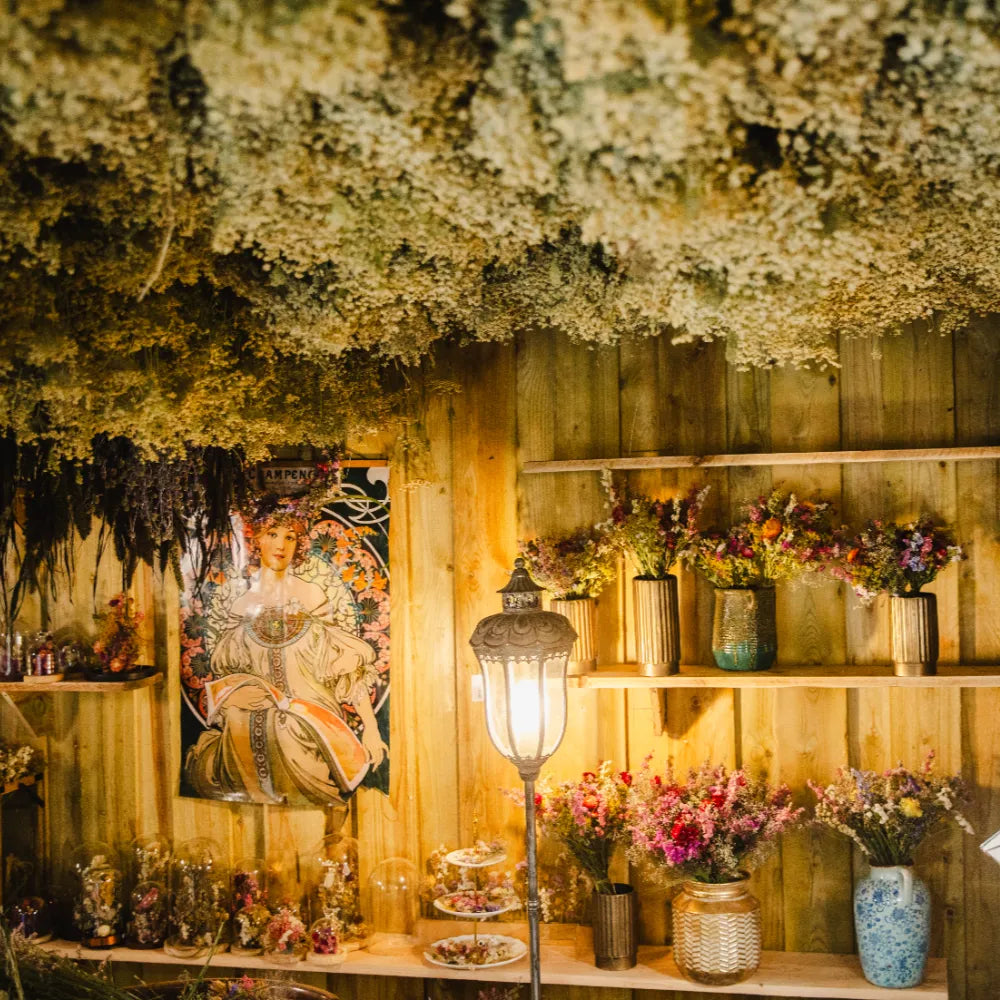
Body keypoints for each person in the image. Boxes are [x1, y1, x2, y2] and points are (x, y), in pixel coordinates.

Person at [185, 505, 388, 806]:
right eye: (273, 534)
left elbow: (344, 666)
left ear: (300, 544)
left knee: (291, 731)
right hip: (249, 716)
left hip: (310, 715)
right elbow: (226, 676)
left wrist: (371, 729)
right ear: (257, 541)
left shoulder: (311, 596)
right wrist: (232, 700)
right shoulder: (242, 605)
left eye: (291, 537)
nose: (281, 545)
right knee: (241, 735)